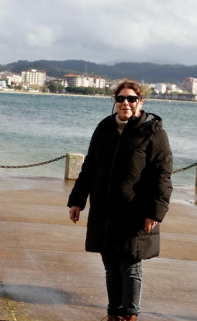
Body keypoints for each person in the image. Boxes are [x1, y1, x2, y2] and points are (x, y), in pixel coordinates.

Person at [67, 80, 173, 321]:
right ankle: (113, 313)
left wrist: (155, 213)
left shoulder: (153, 132)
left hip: (134, 211)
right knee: (111, 265)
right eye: (121, 99)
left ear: (140, 102)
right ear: (115, 102)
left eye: (131, 99)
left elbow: (162, 176)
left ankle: (129, 315)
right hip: (104, 209)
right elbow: (90, 168)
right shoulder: (104, 127)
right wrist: (77, 201)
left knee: (130, 265)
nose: (126, 103)